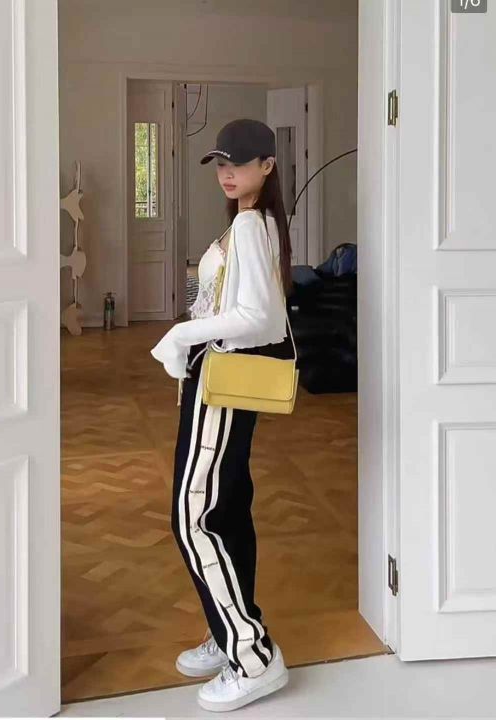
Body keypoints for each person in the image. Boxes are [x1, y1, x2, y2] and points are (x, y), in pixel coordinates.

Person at [150, 118, 294, 713]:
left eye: (240, 162)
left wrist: (180, 333)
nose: (228, 173)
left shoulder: (253, 226)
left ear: (267, 165)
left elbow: (262, 319)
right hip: (218, 383)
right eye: (221, 163)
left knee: (195, 517)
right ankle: (230, 628)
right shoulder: (250, 222)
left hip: (224, 388)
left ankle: (252, 656)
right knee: (227, 508)